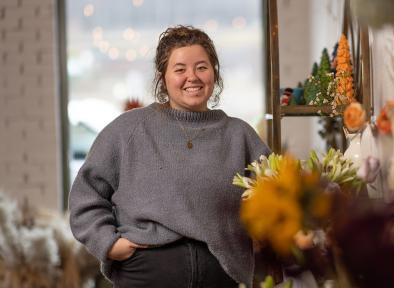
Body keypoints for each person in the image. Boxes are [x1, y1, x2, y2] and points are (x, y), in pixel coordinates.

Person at [69, 25, 270, 288]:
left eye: (201, 67)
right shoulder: (129, 129)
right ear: (163, 77)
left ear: (214, 73)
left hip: (223, 277)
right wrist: (109, 243)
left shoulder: (239, 134)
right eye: (180, 69)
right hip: (145, 275)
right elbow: (86, 195)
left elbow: (276, 191)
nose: (192, 77)